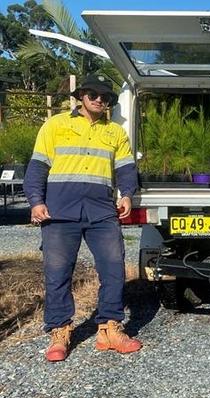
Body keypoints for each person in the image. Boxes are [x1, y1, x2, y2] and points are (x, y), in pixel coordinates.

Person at [24, 73, 142, 362]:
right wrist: (36, 201)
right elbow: (37, 167)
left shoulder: (115, 132)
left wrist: (126, 194)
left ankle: (109, 329)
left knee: (114, 269)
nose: (100, 100)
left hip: (102, 213)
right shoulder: (55, 125)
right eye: (94, 95)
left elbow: (126, 169)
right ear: (80, 97)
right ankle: (60, 331)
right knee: (58, 274)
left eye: (106, 97)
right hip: (59, 213)